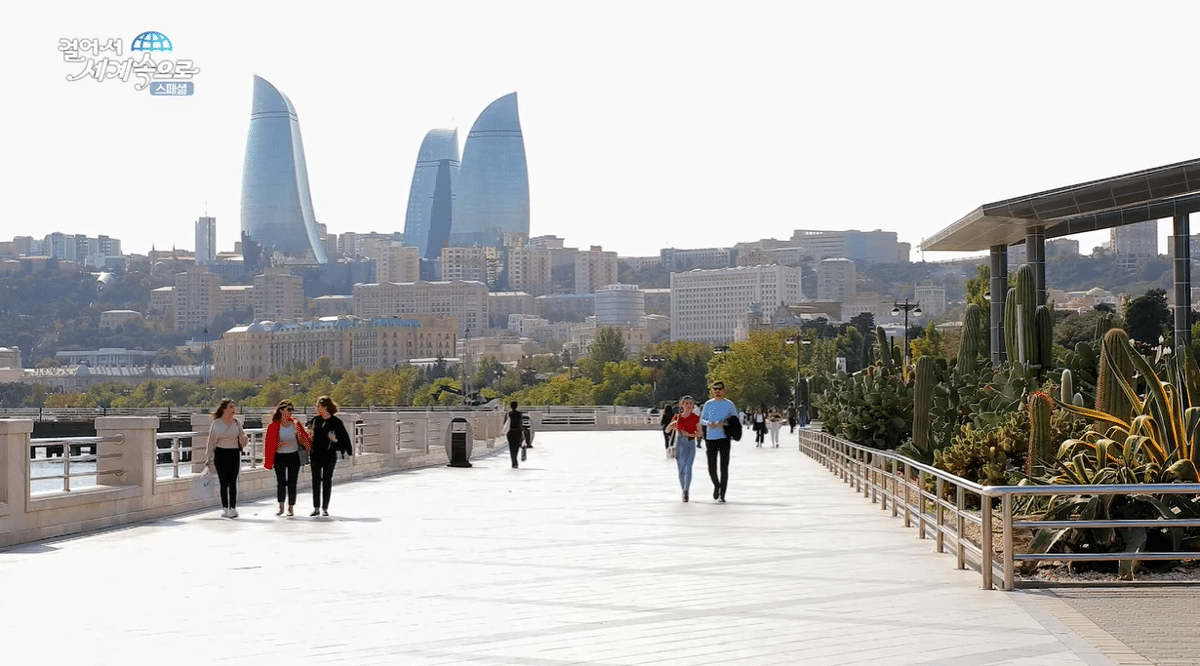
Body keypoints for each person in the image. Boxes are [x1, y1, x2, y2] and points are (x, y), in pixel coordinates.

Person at [264, 400, 310, 517]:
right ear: (281, 410)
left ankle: (291, 507)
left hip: (294, 455)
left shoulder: (295, 423)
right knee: (281, 482)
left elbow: (303, 439)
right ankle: (281, 506)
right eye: (288, 409)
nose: (291, 412)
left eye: (292, 409)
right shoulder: (274, 426)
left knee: (292, 482)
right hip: (280, 456)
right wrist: (279, 445)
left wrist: (299, 434)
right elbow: (269, 444)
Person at [203, 398, 247, 518]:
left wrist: (245, 438)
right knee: (224, 482)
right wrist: (208, 456)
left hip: (234, 453)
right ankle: (225, 508)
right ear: (224, 409)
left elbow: (242, 435)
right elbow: (211, 441)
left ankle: (233, 507)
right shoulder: (216, 423)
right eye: (231, 407)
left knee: (233, 481)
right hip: (221, 454)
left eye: (234, 407)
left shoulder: (237, 422)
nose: (233, 409)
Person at [308, 395, 352, 517]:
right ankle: (316, 507)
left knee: (327, 480)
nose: (316, 408)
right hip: (315, 454)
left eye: (318, 406)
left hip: (329, 455)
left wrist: (335, 440)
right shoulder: (315, 420)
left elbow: (344, 439)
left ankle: (325, 508)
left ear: (325, 407)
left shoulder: (336, 422)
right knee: (315, 481)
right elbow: (309, 434)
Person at [700, 381, 738, 502]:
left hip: (724, 438)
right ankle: (717, 485)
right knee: (711, 466)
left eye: (720, 389)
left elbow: (735, 420)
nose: (717, 391)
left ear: (724, 390)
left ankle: (723, 494)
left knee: (724, 467)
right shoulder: (708, 404)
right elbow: (702, 419)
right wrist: (708, 423)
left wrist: (724, 423)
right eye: (715, 389)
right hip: (711, 438)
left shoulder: (729, 404)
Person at [664, 395, 701, 502]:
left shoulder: (695, 418)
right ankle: (683, 490)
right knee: (681, 469)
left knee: (688, 467)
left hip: (690, 443)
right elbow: (667, 430)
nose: (688, 405)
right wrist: (672, 425)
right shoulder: (677, 417)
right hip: (679, 444)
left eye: (690, 403)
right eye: (686, 403)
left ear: (693, 405)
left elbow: (699, 433)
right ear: (682, 405)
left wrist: (688, 433)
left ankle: (686, 491)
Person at [502, 401, 524, 468]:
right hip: (517, 432)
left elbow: (504, 423)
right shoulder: (519, 414)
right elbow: (521, 424)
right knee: (516, 447)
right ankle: (515, 461)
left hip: (510, 432)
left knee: (511, 447)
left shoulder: (508, 414)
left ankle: (513, 462)